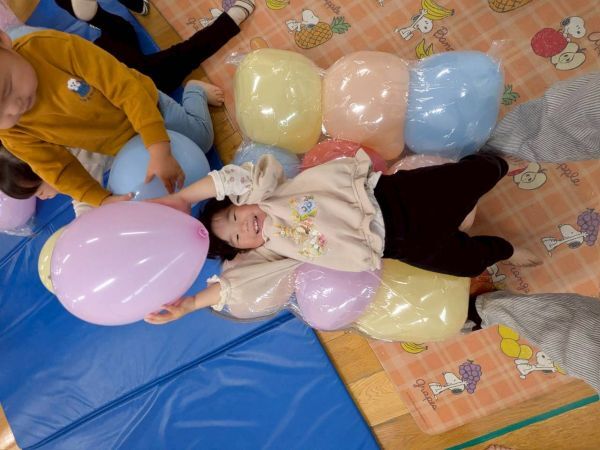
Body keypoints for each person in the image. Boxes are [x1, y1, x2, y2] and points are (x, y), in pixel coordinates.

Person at [144, 150, 540, 325]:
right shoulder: (272, 251)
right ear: (244, 249)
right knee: (466, 263)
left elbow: (233, 179)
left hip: (391, 198)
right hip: (397, 245)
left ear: (242, 202)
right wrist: (191, 303)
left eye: (235, 216)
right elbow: (236, 285)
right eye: (236, 236)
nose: (244, 227)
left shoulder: (265, 193)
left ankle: (495, 160)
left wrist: (184, 198)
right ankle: (505, 249)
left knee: (473, 176)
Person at [0, 26, 222, 207]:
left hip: (148, 109)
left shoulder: (50, 48)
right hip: (121, 146)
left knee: (202, 140)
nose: (14, 108)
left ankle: (194, 91)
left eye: (8, 88)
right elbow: (58, 169)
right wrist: (101, 199)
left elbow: (125, 88)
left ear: (3, 41)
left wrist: (158, 147)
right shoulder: (13, 133)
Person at [4, 0, 255, 94]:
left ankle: (227, 23)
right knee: (121, 33)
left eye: (8, 91)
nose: (13, 108)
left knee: (172, 63)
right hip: (109, 65)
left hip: (115, 76)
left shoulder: (31, 48)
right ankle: (96, 16)